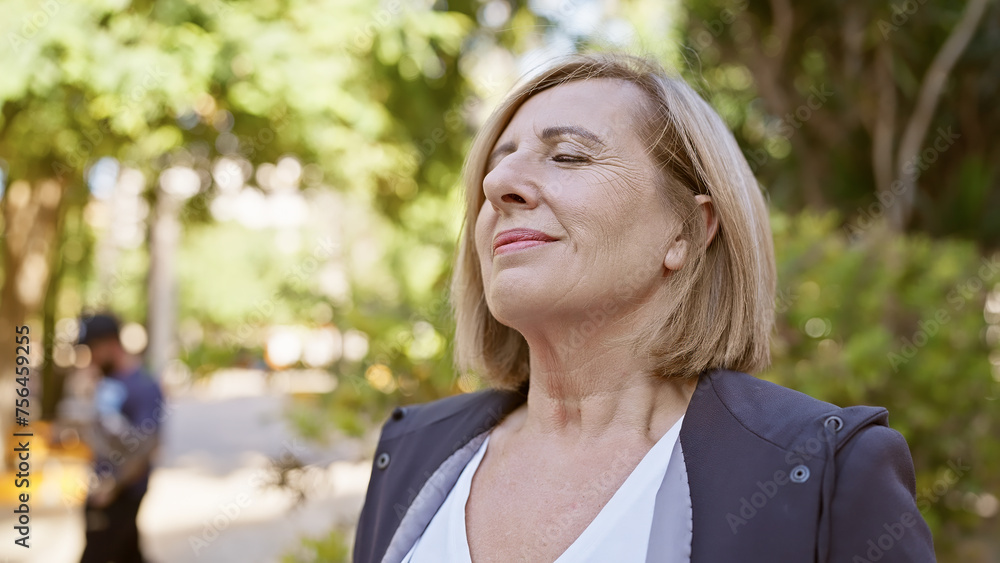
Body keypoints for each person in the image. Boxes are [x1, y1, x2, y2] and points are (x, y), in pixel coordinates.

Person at [353, 52, 936, 562]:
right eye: (495, 164)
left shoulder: (823, 473)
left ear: (688, 230)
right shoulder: (411, 453)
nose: (497, 184)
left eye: (570, 157)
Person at [77, 313, 165, 563]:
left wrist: (112, 486)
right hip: (102, 489)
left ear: (111, 344)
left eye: (92, 349)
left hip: (121, 494)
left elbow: (146, 446)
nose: (90, 357)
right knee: (129, 554)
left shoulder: (143, 386)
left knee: (96, 555)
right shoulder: (106, 381)